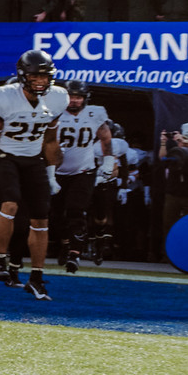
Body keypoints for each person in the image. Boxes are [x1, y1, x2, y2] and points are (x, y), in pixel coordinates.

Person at [0, 49, 67, 300]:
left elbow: (52, 139)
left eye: (45, 76)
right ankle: (0, 260)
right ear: (23, 76)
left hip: (33, 158)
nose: (41, 81)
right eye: (36, 77)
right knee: (10, 203)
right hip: (5, 155)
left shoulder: (58, 98)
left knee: (41, 220)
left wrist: (52, 173)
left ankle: (36, 277)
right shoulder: (4, 97)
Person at [50, 81, 114, 274]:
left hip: (83, 171)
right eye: (71, 97)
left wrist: (108, 160)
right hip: (57, 172)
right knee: (55, 216)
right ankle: (65, 243)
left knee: (76, 210)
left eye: (78, 97)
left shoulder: (95, 113)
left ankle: (74, 254)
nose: (74, 101)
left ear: (85, 98)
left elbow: (105, 137)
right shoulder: (54, 112)